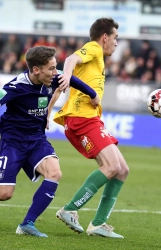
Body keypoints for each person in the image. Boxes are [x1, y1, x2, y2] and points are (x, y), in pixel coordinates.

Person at [0, 46, 100, 237]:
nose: (55, 72)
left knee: (55, 172)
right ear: (36, 70)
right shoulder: (17, 86)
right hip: (13, 142)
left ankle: (27, 223)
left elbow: (72, 80)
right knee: (3, 194)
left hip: (37, 140)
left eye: (55, 67)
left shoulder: (53, 77)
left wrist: (92, 94)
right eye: (51, 68)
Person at [52, 17, 129, 238]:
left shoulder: (99, 58)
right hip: (82, 119)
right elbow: (70, 59)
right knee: (113, 166)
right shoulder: (94, 48)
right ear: (105, 37)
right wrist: (67, 75)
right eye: (115, 37)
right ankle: (70, 209)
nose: (116, 42)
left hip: (91, 119)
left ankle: (98, 224)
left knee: (122, 170)